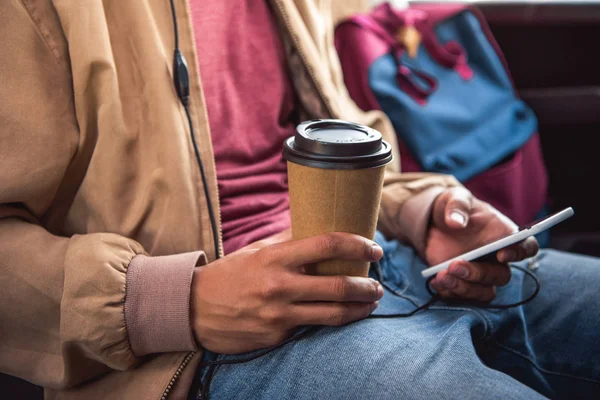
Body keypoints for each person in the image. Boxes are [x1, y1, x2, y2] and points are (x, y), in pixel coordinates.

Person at [1, 1, 599, 399]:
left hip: (390, 262)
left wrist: (423, 211)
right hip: (201, 347)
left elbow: (335, 141)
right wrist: (175, 301)